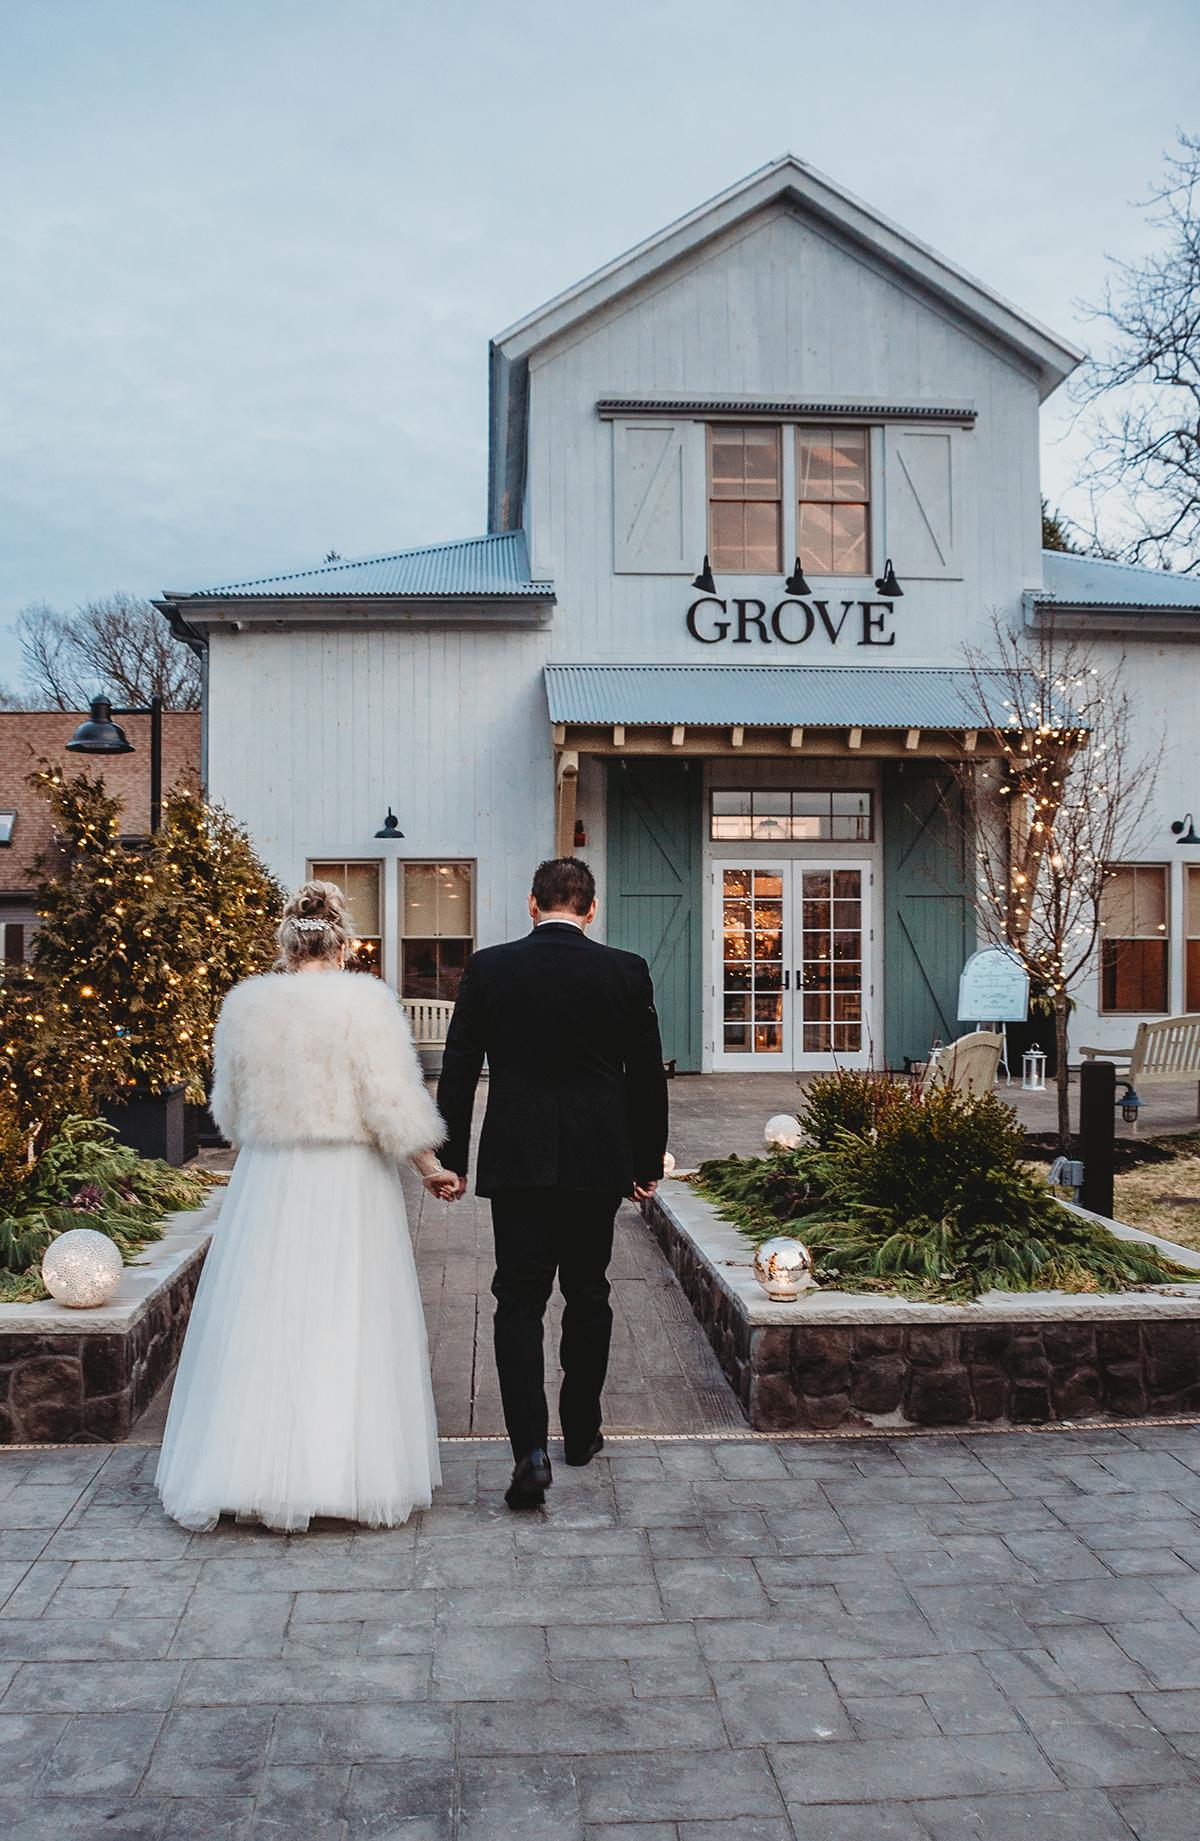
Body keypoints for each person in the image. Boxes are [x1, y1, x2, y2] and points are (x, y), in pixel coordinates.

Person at [156, 880, 458, 1533]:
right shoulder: (365, 1002)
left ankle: (248, 1468)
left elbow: (230, 1112)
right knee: (346, 1317)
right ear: (345, 940)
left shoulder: (246, 1006)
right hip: (348, 1181)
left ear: (286, 941)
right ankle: (339, 1469)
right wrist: (430, 1166)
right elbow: (390, 1102)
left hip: (271, 1176)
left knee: (265, 1314)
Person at [437, 856, 668, 1510]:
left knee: (518, 1300)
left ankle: (530, 1451)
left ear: (532, 903)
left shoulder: (489, 968)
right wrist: (645, 1161)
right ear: (591, 909)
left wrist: (449, 1155)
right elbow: (647, 1074)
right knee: (589, 1292)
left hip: (516, 1159)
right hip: (598, 1161)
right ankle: (583, 1429)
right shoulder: (624, 970)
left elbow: (459, 1065)